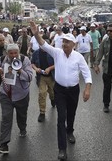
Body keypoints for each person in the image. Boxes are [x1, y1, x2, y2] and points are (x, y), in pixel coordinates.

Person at [30, 21, 92, 161]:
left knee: (71, 114)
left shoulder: (79, 57)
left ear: (73, 45)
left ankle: (70, 131)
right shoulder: (57, 53)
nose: (64, 44)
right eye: (63, 42)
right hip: (60, 90)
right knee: (61, 118)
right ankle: (62, 149)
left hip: (73, 90)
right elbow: (44, 45)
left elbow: (87, 74)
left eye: (67, 42)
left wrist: (87, 89)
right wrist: (36, 34)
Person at [0, 43, 33, 154]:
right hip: (6, 94)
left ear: (18, 52)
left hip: (21, 95)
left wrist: (20, 70)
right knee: (6, 118)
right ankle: (3, 145)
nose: (13, 55)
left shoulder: (25, 60)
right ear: (7, 53)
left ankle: (22, 128)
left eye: (15, 52)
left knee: (22, 115)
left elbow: (30, 77)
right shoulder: (2, 59)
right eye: (11, 53)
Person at [31, 40, 55, 122]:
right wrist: (36, 68)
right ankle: (42, 113)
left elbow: (58, 63)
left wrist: (50, 68)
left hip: (51, 76)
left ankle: (53, 99)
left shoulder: (53, 52)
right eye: (40, 45)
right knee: (42, 93)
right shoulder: (35, 53)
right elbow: (32, 63)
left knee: (52, 92)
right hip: (41, 77)